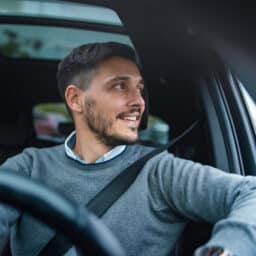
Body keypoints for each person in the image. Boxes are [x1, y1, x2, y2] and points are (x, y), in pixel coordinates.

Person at [0, 42, 256, 256]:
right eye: (120, 86)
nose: (139, 102)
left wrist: (225, 250)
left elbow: (251, 192)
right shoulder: (28, 167)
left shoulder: (161, 171)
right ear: (75, 99)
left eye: (140, 89)